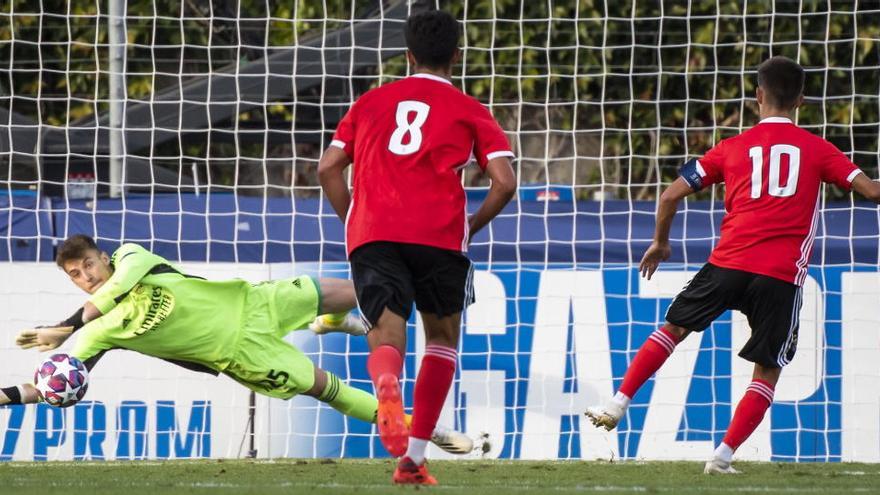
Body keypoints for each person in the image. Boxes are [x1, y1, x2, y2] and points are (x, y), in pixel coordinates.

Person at [585, 55, 880, 474]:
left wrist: (660, 243)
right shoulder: (819, 150)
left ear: (758, 96)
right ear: (801, 101)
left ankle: (618, 402)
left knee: (674, 328)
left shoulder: (731, 148)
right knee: (768, 370)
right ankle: (721, 458)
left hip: (729, 263)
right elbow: (871, 192)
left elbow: (669, 196)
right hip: (780, 276)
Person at [1, 234, 473, 455]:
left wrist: (65, 326)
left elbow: (115, 287)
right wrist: (6, 396)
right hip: (244, 357)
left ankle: (332, 319)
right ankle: (424, 431)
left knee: (362, 289)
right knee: (326, 389)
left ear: (102, 256)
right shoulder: (101, 333)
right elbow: (50, 386)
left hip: (254, 304)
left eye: (87, 265)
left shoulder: (130, 257)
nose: (86, 278)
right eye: (75, 276)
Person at [318, 9, 516, 485]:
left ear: (407, 55)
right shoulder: (470, 109)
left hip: (374, 231)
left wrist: (355, 220)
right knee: (442, 340)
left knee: (387, 333)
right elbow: (505, 182)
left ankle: (387, 385)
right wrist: (473, 223)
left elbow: (327, 168)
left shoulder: (370, 102)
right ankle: (413, 459)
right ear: (456, 55)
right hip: (439, 234)